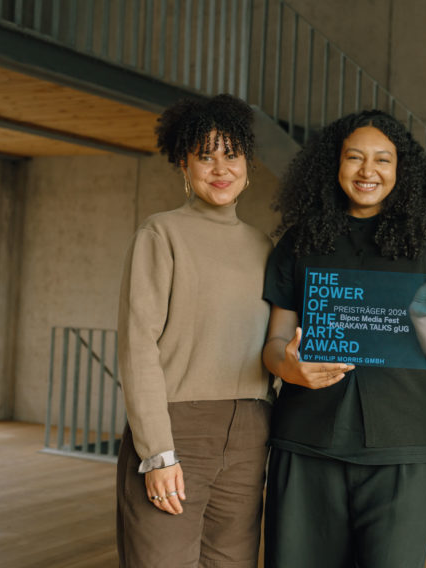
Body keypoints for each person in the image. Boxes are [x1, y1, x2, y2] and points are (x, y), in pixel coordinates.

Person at [262, 110, 426, 568]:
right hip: (307, 439)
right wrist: (287, 367)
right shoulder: (299, 241)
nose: (367, 171)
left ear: (401, 171)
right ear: (334, 165)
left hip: (403, 447)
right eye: (354, 157)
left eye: (382, 160)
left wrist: (422, 316)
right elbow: (275, 341)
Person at [116, 94, 273, 568]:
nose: (220, 167)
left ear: (247, 165)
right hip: (176, 427)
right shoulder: (160, 234)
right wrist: (158, 453)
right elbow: (137, 345)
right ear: (184, 165)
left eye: (231, 154)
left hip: (251, 431)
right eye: (205, 156)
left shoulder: (265, 247)